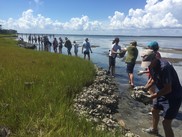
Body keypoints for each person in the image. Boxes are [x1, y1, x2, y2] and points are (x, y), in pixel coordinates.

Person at [140, 50, 182, 137]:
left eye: (149, 62)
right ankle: (154, 130)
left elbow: (168, 89)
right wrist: (144, 89)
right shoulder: (151, 66)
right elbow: (153, 79)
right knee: (154, 110)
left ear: (155, 58)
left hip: (173, 96)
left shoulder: (165, 67)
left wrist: (151, 97)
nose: (148, 65)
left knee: (166, 123)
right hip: (162, 92)